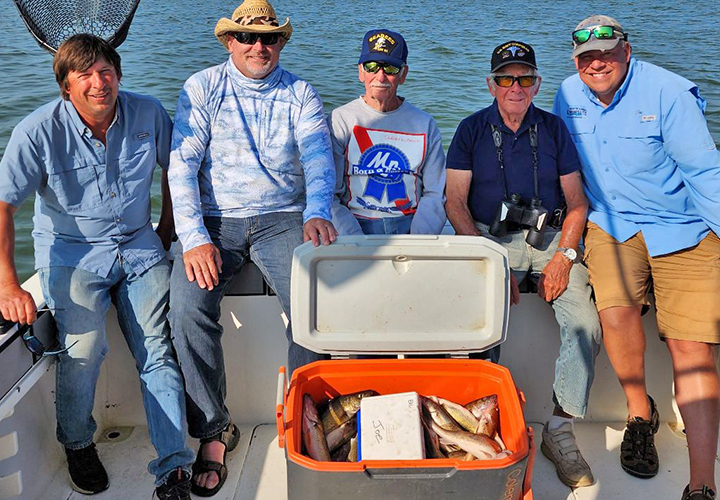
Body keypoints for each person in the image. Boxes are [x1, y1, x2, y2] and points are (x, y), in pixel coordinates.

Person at [0, 34, 194, 499]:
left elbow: (176, 169)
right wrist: (8, 284)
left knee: (159, 351)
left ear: (119, 75)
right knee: (84, 349)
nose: (98, 82)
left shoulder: (147, 112)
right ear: (65, 85)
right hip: (71, 253)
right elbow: (3, 204)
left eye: (105, 71)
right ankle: (78, 443)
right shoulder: (37, 130)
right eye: (83, 74)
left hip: (140, 246)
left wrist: (167, 226)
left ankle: (173, 469)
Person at [167, 0, 337, 496]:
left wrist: (317, 210)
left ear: (281, 42)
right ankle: (215, 430)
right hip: (215, 220)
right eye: (246, 37)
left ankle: (307, 412)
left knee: (314, 304)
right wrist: (194, 238)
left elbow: (319, 159)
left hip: (282, 216)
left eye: (269, 37)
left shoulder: (301, 92)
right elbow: (181, 168)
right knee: (185, 309)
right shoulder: (201, 88)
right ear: (228, 42)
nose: (258, 46)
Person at [554, 15, 720, 500]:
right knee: (616, 315)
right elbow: (565, 169)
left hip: (683, 225)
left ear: (627, 51)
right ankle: (639, 415)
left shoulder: (669, 93)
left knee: (691, 348)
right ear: (576, 63)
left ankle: (702, 483)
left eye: (607, 52)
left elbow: (705, 172)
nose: (596, 63)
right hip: (610, 223)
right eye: (586, 57)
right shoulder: (566, 94)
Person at [446, 41, 602, 488]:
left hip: (550, 239)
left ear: (537, 85)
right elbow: (454, 202)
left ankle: (559, 428)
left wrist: (564, 257)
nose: (516, 87)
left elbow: (577, 204)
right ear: (490, 84)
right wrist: (486, 258)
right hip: (490, 239)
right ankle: (478, 421)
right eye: (506, 79)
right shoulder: (470, 129)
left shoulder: (553, 130)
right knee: (479, 320)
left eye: (526, 78)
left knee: (586, 324)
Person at [329, 29, 446, 235]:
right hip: (354, 225)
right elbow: (330, 196)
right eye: (371, 66)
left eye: (390, 68)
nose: (380, 76)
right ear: (361, 72)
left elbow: (435, 193)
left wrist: (417, 242)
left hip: (409, 225)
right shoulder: (340, 120)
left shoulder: (425, 124)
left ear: (403, 74)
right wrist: (354, 242)